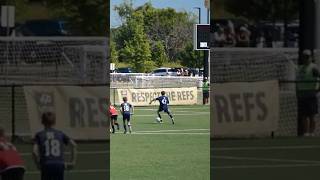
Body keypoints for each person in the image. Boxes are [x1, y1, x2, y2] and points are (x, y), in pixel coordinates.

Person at [33, 112, 77, 180]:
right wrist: (73, 162)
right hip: (59, 164)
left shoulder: (39, 134)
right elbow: (73, 145)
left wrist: (37, 164)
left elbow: (34, 151)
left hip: (46, 163)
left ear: (42, 122)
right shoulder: (60, 133)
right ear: (54, 122)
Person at [296, 49, 320, 137]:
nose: (306, 58)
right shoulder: (300, 68)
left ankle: (312, 132)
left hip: (311, 95)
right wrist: (297, 92)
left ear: (311, 57)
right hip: (302, 95)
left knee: (312, 115)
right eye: (304, 57)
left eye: (307, 57)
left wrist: (317, 90)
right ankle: (306, 132)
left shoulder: (314, 68)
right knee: (304, 116)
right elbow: (297, 82)